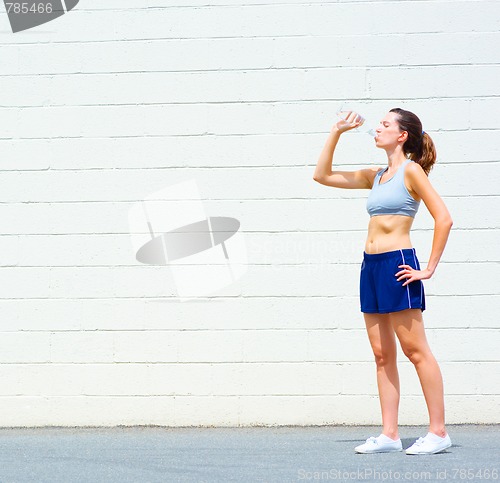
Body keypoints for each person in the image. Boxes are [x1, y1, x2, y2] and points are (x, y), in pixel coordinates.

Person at [313, 108, 453, 455]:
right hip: (371, 267)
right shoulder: (375, 175)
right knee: (381, 354)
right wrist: (337, 131)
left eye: (386, 125)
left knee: (415, 351)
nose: (378, 128)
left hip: (397, 265)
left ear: (402, 135)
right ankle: (390, 435)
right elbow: (322, 175)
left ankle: (438, 431)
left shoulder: (411, 171)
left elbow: (444, 218)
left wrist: (428, 268)